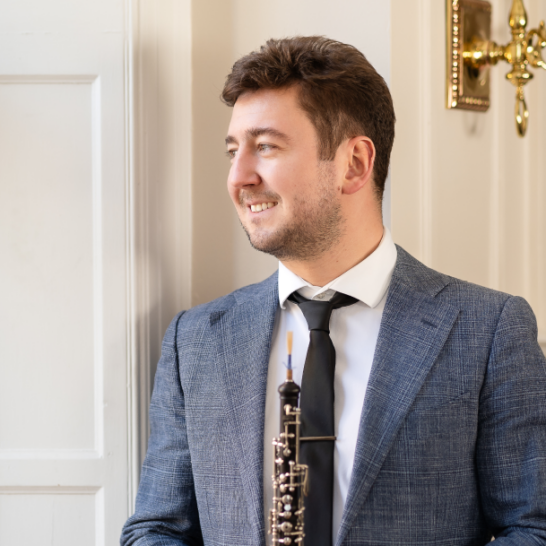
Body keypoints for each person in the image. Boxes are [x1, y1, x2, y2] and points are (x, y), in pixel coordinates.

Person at [121, 36, 546, 546]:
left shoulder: (489, 332)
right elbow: (157, 528)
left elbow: (533, 528)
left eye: (265, 146)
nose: (239, 177)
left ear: (354, 163)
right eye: (233, 151)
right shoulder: (195, 341)